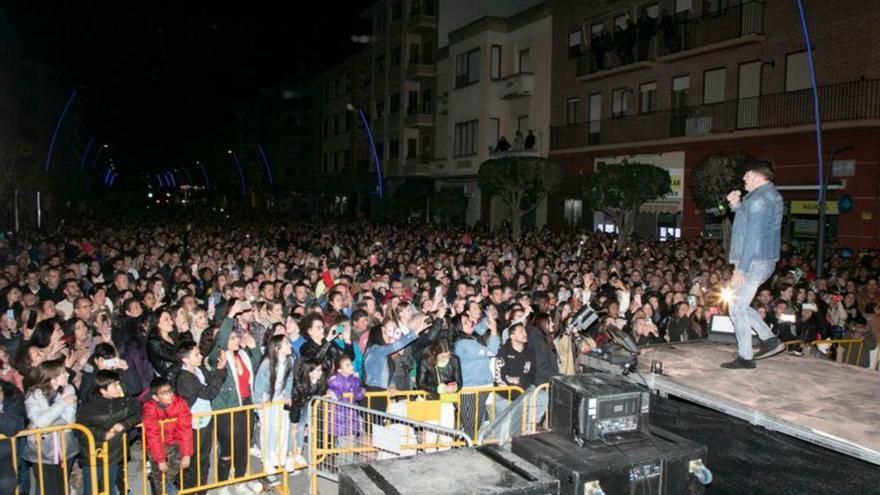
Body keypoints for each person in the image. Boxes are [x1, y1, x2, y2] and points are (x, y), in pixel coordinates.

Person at [722, 161, 785, 369]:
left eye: (747, 175)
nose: (743, 179)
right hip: (761, 260)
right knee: (740, 304)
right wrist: (735, 205)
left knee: (736, 307)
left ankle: (746, 357)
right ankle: (769, 339)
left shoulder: (760, 201)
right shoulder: (765, 197)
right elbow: (748, 221)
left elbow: (753, 237)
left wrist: (742, 267)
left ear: (758, 177)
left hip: (753, 261)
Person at [77, 370, 142, 495]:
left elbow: (138, 415)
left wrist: (124, 424)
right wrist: (103, 434)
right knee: (92, 489)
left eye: (118, 384)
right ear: (103, 390)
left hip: (114, 455)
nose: (119, 388)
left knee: (109, 487)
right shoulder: (88, 408)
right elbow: (81, 429)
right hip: (93, 456)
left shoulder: (123, 402)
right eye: (115, 385)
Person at [174, 341, 226, 494]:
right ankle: (188, 490)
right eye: (196, 354)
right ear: (185, 359)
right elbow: (209, 392)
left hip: (205, 421)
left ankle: (201, 489)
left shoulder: (198, 369)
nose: (200, 356)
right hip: (192, 424)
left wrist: (218, 370)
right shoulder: (184, 378)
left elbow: (212, 381)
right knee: (191, 461)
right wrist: (219, 371)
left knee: (203, 459)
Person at [23, 359, 80, 493]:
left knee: (61, 487)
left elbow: (69, 421)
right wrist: (62, 404)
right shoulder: (34, 396)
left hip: (65, 446)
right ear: (52, 379)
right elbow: (39, 422)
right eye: (63, 373)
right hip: (41, 450)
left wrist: (62, 405)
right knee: (47, 488)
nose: (67, 375)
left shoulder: (69, 389)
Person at [252, 334, 295, 479]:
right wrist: (257, 401)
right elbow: (258, 383)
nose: (290, 346)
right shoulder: (266, 363)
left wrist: (287, 395)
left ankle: (271, 452)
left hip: (277, 397)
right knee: (267, 428)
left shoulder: (290, 361)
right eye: (286, 344)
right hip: (265, 398)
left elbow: (290, 379)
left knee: (276, 427)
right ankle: (266, 459)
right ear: (277, 348)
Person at [142, 377, 193, 495]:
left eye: (170, 391)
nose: (169, 395)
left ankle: (168, 483)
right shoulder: (149, 408)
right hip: (156, 445)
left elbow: (185, 429)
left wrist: (187, 454)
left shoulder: (180, 403)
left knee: (177, 463)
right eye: (164, 393)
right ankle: (162, 487)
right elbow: (152, 435)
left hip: (174, 441)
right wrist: (160, 460)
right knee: (158, 474)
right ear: (155, 397)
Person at [0, 380, 26, 495]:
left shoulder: (11, 404)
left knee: (7, 483)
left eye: (0, 391)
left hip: (5, 459)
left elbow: (11, 427)